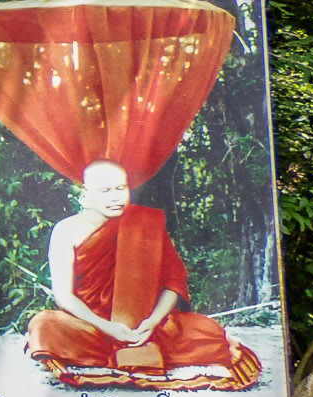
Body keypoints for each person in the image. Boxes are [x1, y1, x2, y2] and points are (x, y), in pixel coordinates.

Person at [25, 162, 257, 385]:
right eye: (105, 191)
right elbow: (64, 296)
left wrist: (151, 323)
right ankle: (121, 352)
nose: (115, 197)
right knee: (44, 325)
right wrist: (107, 327)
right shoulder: (66, 230)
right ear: (85, 193)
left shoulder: (146, 223)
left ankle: (112, 354)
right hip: (92, 325)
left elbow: (174, 283)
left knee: (210, 332)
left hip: (145, 326)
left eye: (121, 188)